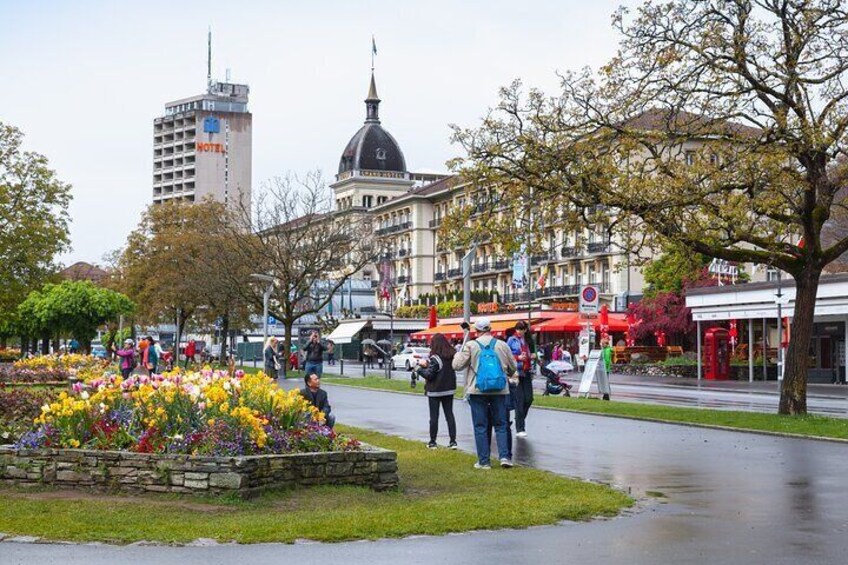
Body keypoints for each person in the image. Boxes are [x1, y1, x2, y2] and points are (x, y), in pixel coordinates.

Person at [453, 318, 517, 470]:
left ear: (476, 330)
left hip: (477, 390)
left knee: (480, 425)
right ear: (490, 329)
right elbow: (513, 367)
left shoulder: (471, 345)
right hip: (500, 390)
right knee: (501, 424)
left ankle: (484, 461)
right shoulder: (502, 345)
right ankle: (504, 456)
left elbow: (457, 366)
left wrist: (458, 353)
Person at [418, 333, 458, 450]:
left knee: (434, 417)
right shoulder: (452, 356)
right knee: (449, 415)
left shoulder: (435, 358)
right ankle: (453, 441)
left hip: (435, 391)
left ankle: (433, 442)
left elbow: (430, 375)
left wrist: (420, 369)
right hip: (449, 390)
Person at [507, 321, 534, 438]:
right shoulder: (511, 340)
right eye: (517, 329)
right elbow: (507, 355)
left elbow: (533, 352)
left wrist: (533, 355)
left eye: (521, 329)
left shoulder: (528, 340)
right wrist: (518, 357)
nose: (519, 332)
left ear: (525, 330)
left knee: (529, 399)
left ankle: (519, 418)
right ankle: (520, 427)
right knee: (519, 400)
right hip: (516, 372)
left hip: (526, 371)